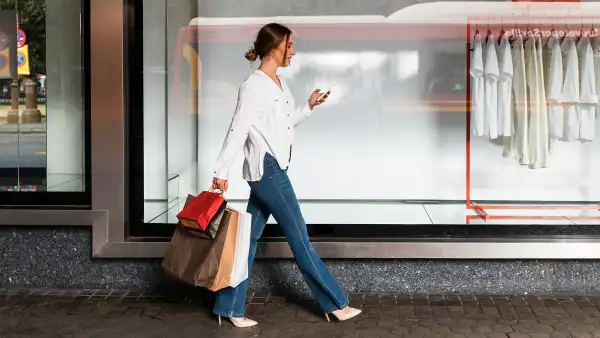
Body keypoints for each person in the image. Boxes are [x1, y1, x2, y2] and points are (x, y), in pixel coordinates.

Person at [211, 23, 361, 328]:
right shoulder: (253, 85)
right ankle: (336, 303)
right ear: (276, 47)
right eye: (290, 46)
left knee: (248, 240)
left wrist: (308, 105)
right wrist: (221, 171)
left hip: (271, 167)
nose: (293, 51)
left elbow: (285, 124)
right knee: (300, 238)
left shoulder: (278, 82)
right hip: (267, 170)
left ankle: (228, 306)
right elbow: (238, 128)